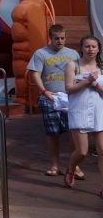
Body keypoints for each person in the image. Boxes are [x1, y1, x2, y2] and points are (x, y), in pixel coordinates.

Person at [29, 24, 84, 178]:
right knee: (53, 133)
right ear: (50, 38)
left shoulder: (73, 54)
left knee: (73, 133)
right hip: (50, 98)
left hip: (70, 98)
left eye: (62, 38)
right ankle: (55, 165)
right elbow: (35, 74)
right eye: (56, 38)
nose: (60, 41)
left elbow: (80, 73)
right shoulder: (41, 53)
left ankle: (75, 165)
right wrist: (44, 91)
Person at [63, 35, 103, 193]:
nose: (90, 49)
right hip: (79, 110)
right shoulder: (73, 65)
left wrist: (94, 84)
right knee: (82, 151)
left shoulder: (101, 66)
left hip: (99, 112)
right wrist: (86, 82)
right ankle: (71, 168)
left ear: (98, 48)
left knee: (102, 150)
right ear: (81, 48)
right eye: (87, 46)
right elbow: (68, 89)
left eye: (94, 46)